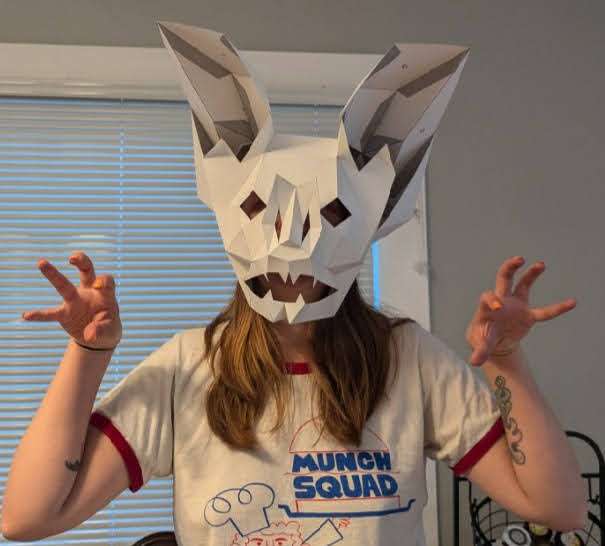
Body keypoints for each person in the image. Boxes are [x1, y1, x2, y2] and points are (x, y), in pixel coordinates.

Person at [2, 21, 586, 546]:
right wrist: (87, 354)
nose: (291, 245)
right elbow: (25, 519)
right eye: (260, 209)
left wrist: (505, 360)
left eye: (332, 214)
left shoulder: (409, 360)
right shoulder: (187, 368)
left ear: (378, 216)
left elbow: (558, 510)